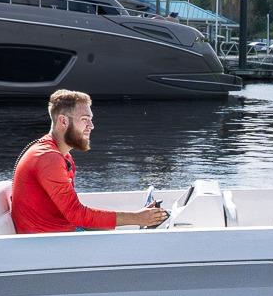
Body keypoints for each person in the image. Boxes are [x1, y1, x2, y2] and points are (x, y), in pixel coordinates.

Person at [9, 90, 168, 234]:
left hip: (61, 234)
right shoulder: (47, 158)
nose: (91, 126)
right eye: (85, 119)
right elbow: (77, 214)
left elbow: (75, 216)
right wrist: (136, 218)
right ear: (63, 121)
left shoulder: (62, 156)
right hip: (48, 245)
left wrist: (137, 217)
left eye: (90, 119)